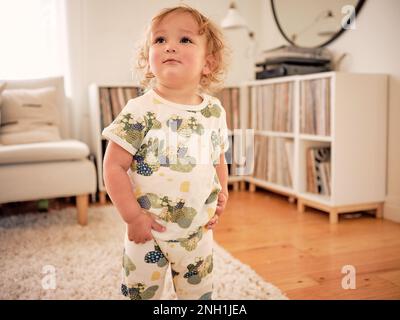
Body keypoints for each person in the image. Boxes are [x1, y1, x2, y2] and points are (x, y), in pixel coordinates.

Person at [102, 4, 229, 300]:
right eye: (160, 40)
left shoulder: (214, 110)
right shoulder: (139, 111)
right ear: (148, 61)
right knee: (141, 295)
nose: (170, 46)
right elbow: (113, 166)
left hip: (197, 231)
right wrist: (133, 217)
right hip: (150, 231)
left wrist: (222, 192)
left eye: (184, 40)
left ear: (208, 63)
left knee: (199, 296)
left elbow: (218, 156)